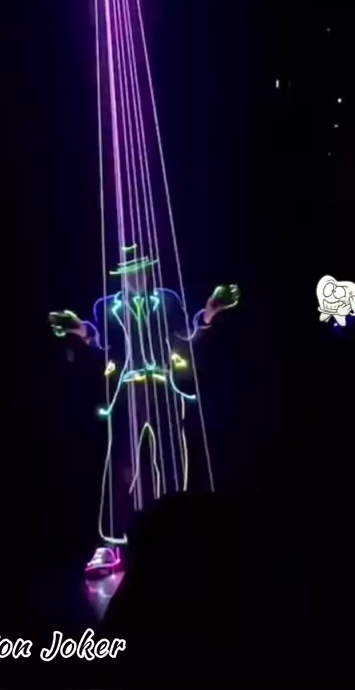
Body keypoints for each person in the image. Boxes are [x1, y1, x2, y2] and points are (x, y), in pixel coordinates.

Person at [49, 245, 239, 575]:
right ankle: (112, 544)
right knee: (121, 464)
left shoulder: (167, 300)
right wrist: (77, 327)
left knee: (172, 462)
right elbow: (101, 344)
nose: (135, 277)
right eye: (129, 272)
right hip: (127, 391)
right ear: (122, 275)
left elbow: (186, 336)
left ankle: (177, 536)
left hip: (163, 388)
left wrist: (210, 312)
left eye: (140, 270)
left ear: (148, 271)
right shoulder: (107, 306)